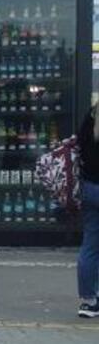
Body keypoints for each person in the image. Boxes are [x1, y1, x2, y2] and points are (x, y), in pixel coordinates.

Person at [76, 102, 99, 318]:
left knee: (91, 246)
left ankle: (89, 300)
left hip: (90, 188)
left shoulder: (90, 117)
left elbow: (78, 148)